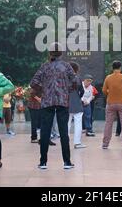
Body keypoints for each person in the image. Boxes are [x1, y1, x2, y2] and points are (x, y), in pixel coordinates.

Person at [30, 42, 76, 170]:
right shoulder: (66, 66)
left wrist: (43, 90)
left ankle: (43, 162)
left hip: (47, 102)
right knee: (63, 132)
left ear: (49, 53)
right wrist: (67, 90)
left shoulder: (44, 66)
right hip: (62, 102)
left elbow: (33, 82)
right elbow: (75, 81)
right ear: (61, 53)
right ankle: (67, 162)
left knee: (45, 131)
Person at [102, 60, 122, 150]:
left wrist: (110, 93)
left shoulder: (108, 77)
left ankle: (105, 144)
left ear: (112, 68)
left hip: (110, 103)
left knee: (108, 123)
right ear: (120, 68)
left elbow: (104, 90)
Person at [67, 62, 86, 149]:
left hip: (65, 103)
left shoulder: (64, 78)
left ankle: (65, 142)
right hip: (76, 103)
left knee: (66, 124)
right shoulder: (77, 78)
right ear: (76, 69)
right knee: (78, 123)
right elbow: (82, 91)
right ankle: (77, 143)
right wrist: (78, 98)